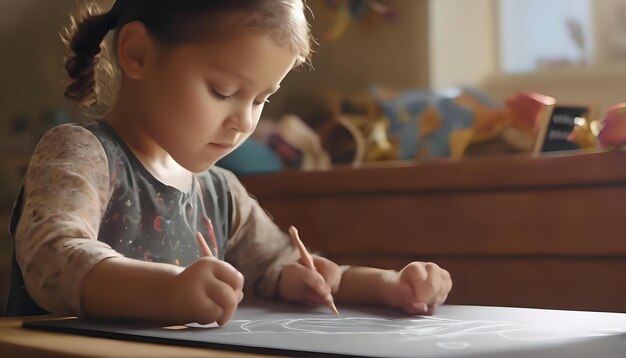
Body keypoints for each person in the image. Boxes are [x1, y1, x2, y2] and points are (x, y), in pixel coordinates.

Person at [6, 0, 452, 325]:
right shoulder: (82, 153)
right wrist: (170, 292)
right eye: (222, 91)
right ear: (137, 53)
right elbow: (53, 258)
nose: (243, 121)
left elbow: (286, 265)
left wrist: (389, 286)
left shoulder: (222, 192)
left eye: (261, 100)